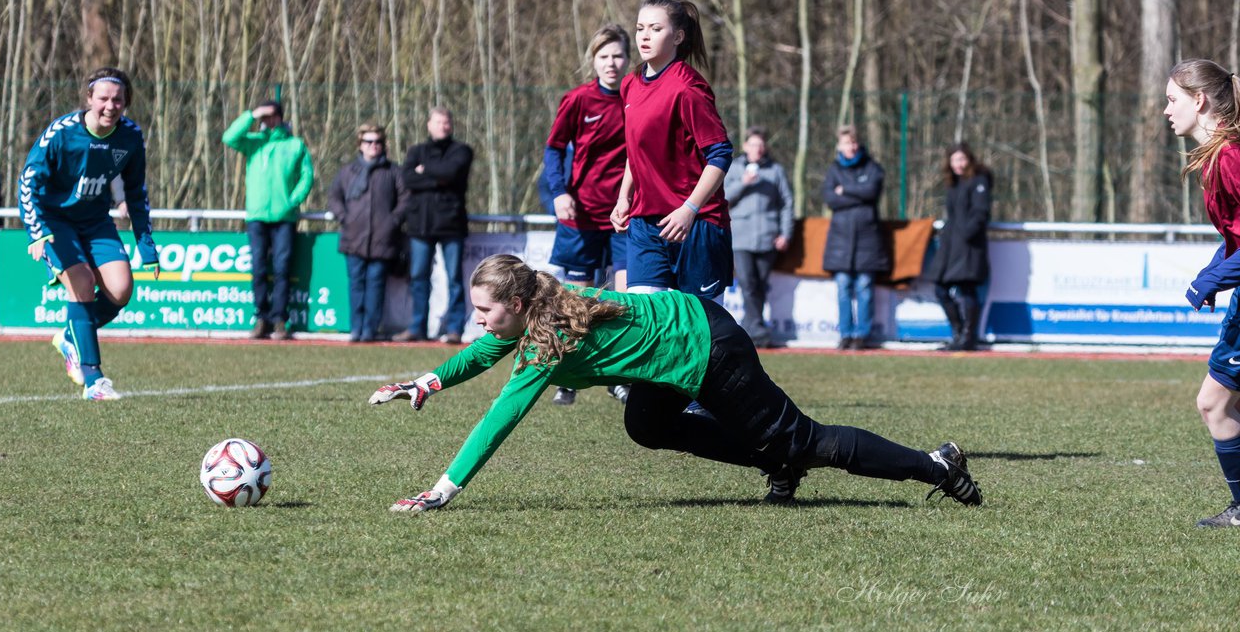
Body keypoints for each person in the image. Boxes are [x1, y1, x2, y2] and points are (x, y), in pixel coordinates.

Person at [369, 253, 982, 512]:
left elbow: (497, 420)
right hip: (673, 350)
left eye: (487, 309)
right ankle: (777, 463)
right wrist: (427, 383)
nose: (480, 321)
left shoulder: (547, 341)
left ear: (521, 302)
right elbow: (481, 353)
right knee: (646, 422)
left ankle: (936, 465)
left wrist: (441, 490)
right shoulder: (534, 312)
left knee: (806, 440)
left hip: (708, 347)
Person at [18, 67, 158, 401]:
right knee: (80, 282)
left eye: (118, 100)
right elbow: (28, 180)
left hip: (96, 221)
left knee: (121, 289)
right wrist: (36, 230)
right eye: (103, 99)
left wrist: (146, 245)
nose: (111, 106)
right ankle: (93, 380)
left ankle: (70, 336)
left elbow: (137, 192)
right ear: (88, 99)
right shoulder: (61, 133)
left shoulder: (130, 136)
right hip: (54, 222)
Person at [609, 0, 733, 300]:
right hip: (645, 225)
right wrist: (624, 196)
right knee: (645, 321)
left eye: (655, 28)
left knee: (701, 334)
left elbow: (720, 155)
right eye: (640, 28)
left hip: (695, 224)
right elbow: (635, 148)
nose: (645, 36)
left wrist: (689, 209)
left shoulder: (688, 88)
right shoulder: (630, 84)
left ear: (678, 37)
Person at [1164, 58, 1240, 528]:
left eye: (1173, 100)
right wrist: (1214, 270)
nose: (1166, 110)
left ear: (1200, 100)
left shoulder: (1230, 158)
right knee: (1219, 403)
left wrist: (1212, 279)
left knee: (1215, 402)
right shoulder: (1219, 156)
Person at [542, 23, 631, 404]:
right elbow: (553, 148)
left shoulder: (637, 96)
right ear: (593, 60)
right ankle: (570, 374)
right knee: (577, 299)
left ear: (629, 59)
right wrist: (559, 192)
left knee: (627, 298)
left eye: (618, 55)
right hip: (581, 215)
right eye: (604, 56)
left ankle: (620, 376)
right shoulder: (578, 99)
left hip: (626, 215)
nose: (612, 63)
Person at [222, 99, 314, 341]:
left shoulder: (295, 145)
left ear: (280, 118)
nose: (266, 120)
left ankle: (280, 319)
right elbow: (229, 137)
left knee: (283, 269)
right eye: (263, 117)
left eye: (270, 115)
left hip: (284, 217)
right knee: (259, 269)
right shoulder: (253, 143)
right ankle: (261, 317)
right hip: (257, 216)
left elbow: (307, 175)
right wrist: (251, 114)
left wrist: (292, 201)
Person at [395, 107, 474, 345]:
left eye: (446, 122)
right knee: (419, 277)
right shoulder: (416, 150)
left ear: (451, 125)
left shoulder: (461, 151)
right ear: (428, 125)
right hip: (420, 225)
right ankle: (417, 327)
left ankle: (454, 329)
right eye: (438, 122)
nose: (443, 126)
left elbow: (451, 172)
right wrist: (435, 177)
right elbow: (407, 178)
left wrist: (425, 171)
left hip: (451, 225)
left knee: (454, 279)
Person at [328, 123, 408, 343]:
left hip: (383, 240)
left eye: (378, 142)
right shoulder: (348, 172)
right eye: (368, 142)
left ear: (384, 145)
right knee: (356, 284)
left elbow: (405, 199)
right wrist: (345, 217)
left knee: (375, 285)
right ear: (360, 145)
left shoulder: (393, 172)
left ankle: (370, 330)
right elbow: (334, 198)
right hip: (354, 238)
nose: (373, 146)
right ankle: (356, 328)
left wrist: (393, 221)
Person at [723, 127, 794, 348]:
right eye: (753, 144)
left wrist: (785, 233)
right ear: (745, 146)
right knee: (747, 283)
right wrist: (743, 182)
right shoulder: (733, 169)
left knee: (760, 285)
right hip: (740, 238)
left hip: (768, 238)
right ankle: (757, 331)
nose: (758, 149)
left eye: (761, 145)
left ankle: (751, 329)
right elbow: (722, 198)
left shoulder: (775, 171)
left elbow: (787, 204)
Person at [822, 125, 888, 350]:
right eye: (845, 143)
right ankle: (846, 333)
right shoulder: (833, 170)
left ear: (857, 144)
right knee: (843, 287)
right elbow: (830, 199)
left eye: (853, 142)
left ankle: (862, 335)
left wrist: (845, 190)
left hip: (868, 239)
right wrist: (857, 191)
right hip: (840, 240)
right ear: (839, 146)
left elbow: (871, 192)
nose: (849, 147)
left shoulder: (873, 168)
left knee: (865, 286)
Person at [926, 142, 992, 351]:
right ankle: (959, 332)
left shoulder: (979, 181)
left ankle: (968, 338)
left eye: (962, 159)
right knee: (940, 289)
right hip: (950, 245)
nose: (959, 164)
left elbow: (980, 213)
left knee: (967, 289)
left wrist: (966, 234)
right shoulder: (953, 184)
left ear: (969, 159)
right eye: (955, 159)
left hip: (969, 246)